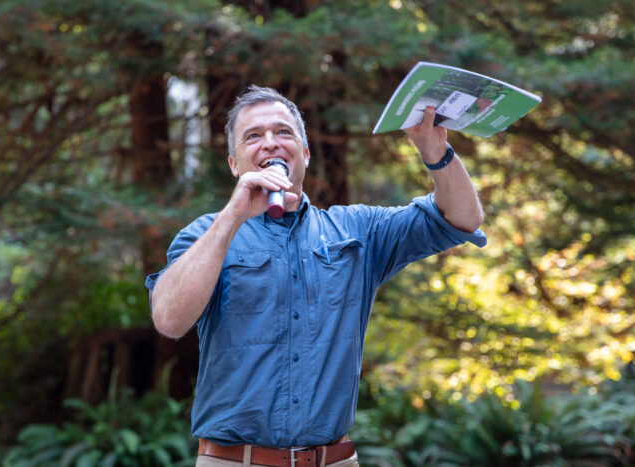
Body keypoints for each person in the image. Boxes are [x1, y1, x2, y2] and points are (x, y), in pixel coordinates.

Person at [145, 85, 486, 467]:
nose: (270, 144)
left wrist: (435, 150)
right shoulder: (204, 236)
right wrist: (233, 216)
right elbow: (169, 320)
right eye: (253, 136)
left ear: (305, 154)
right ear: (234, 164)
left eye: (284, 132)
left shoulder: (359, 232)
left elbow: (461, 220)